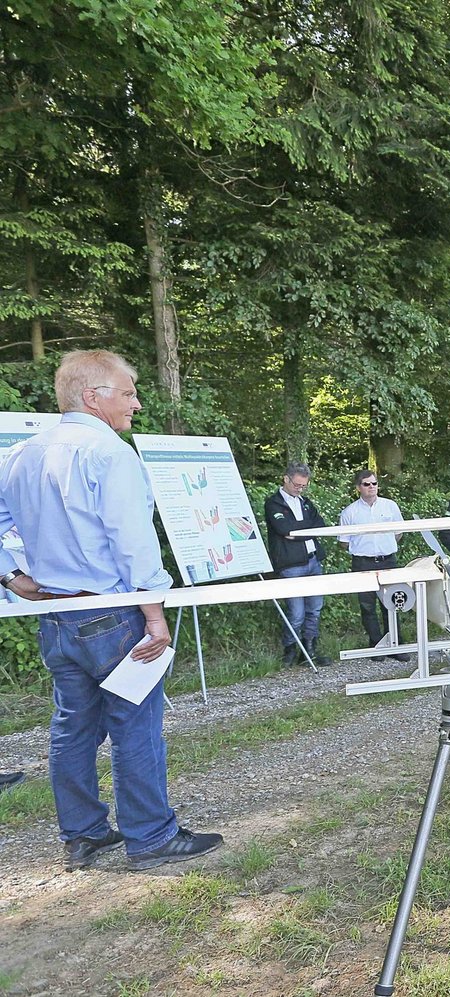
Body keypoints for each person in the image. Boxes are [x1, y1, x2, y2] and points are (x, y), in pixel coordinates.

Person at [0, 349, 223, 869]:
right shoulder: (109, 454)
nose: (137, 403)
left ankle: (83, 836)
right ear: (92, 397)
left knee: (73, 728)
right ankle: (151, 837)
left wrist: (10, 577)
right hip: (115, 614)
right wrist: (154, 615)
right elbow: (132, 542)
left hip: (56, 618)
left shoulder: (22, 453)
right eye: (127, 392)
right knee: (135, 726)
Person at [263, 461, 331, 666]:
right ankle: (290, 649)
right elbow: (284, 529)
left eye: (304, 486)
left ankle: (309, 649)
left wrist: (297, 532)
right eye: (297, 485)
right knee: (296, 613)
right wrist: (302, 531)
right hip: (290, 564)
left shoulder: (306, 502)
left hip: (313, 561)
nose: (300, 489)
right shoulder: (273, 503)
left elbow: (319, 525)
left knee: (315, 608)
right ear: (286, 479)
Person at [338, 469, 405, 653]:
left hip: (388, 561)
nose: (372, 487)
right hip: (363, 563)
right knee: (367, 607)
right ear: (358, 487)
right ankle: (376, 646)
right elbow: (343, 542)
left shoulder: (390, 506)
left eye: (374, 483)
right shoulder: (349, 512)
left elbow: (399, 532)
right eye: (367, 484)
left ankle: (396, 645)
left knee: (392, 603)